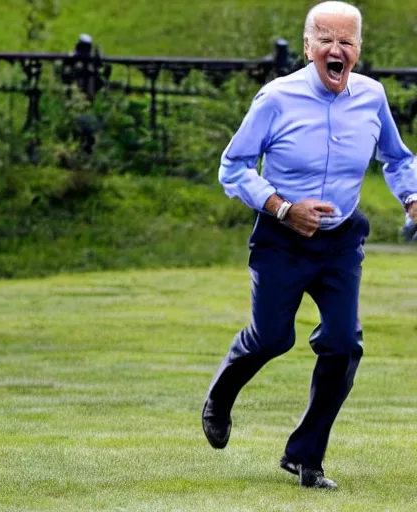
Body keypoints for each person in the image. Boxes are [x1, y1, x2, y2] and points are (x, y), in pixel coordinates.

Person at [202, 0, 417, 490]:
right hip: (281, 237)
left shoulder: (371, 97)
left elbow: (397, 157)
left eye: (346, 41)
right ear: (308, 47)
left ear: (359, 49)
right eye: (327, 40)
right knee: (273, 337)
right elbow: (232, 168)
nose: (336, 49)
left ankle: (305, 458)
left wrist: (411, 195)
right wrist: (281, 207)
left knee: (343, 345)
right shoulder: (276, 98)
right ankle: (220, 395)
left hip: (341, 240)